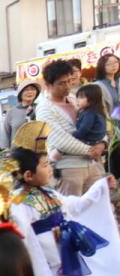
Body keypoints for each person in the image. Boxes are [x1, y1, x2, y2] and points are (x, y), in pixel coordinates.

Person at [9, 140, 117, 276]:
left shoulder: (49, 193)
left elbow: (76, 205)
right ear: (28, 175)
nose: (50, 168)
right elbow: (20, 230)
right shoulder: (17, 202)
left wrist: (100, 187)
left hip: (64, 257)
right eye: (45, 165)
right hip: (45, 262)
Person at [36, 59, 105, 196]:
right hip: (68, 167)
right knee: (72, 212)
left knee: (97, 209)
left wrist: (103, 143)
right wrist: (90, 150)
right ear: (48, 85)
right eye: (61, 83)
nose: (67, 86)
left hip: (92, 164)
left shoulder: (76, 99)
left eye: (69, 81)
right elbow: (59, 139)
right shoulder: (44, 108)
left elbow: (99, 121)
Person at [3, 81, 41, 146]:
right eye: (26, 90)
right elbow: (7, 135)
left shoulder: (40, 108)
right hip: (18, 153)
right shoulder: (11, 112)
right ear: (20, 93)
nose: (30, 92)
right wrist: (8, 151)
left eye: (33, 89)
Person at [73, 83, 108, 150]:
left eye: (81, 97)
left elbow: (83, 130)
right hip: (96, 142)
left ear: (92, 99)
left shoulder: (90, 113)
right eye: (77, 97)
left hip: (89, 143)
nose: (77, 99)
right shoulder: (97, 111)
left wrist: (71, 135)